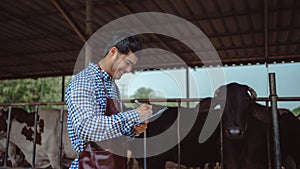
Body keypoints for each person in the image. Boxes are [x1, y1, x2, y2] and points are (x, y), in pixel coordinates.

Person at [65, 32, 153, 169]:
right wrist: (134, 115)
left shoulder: (113, 87)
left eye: (132, 65)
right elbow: (86, 127)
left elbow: (112, 130)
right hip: (91, 165)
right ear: (113, 52)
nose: (129, 69)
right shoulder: (84, 81)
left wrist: (133, 129)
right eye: (128, 62)